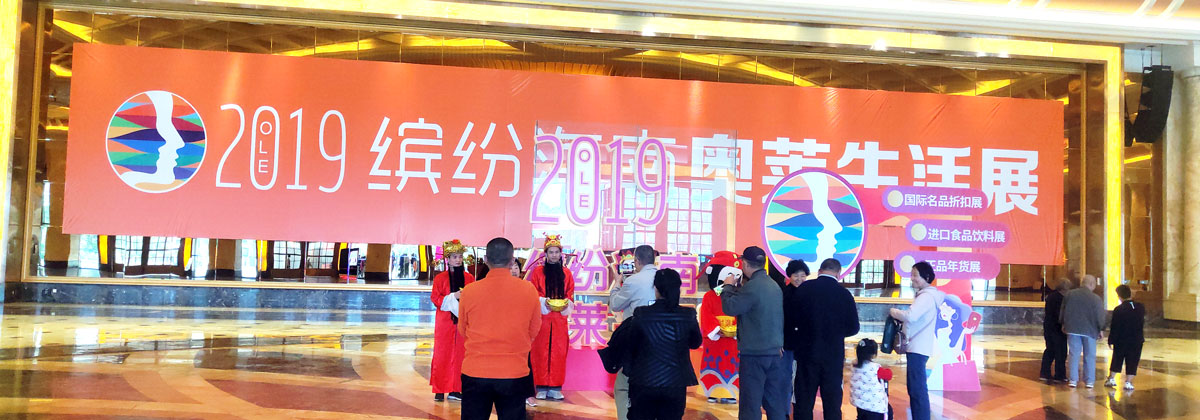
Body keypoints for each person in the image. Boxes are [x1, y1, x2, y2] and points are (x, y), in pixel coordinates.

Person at [458, 237, 542, 420]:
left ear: (485, 260)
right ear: (512, 260)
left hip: (476, 370)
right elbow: (534, 328)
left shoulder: (470, 291)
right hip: (514, 371)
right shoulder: (528, 290)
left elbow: (462, 329)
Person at [623, 269, 703, 420]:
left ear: (656, 289)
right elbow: (695, 343)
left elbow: (631, 345)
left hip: (644, 380)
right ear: (678, 289)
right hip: (675, 382)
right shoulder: (688, 314)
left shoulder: (642, 313)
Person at [720, 246, 789, 420]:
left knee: (750, 404)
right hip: (774, 352)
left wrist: (727, 287)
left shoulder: (752, 287)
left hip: (754, 354)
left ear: (744, 263)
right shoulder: (774, 286)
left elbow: (730, 308)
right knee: (774, 401)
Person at [789, 258, 860, 420]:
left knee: (803, 402)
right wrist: (835, 333)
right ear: (838, 274)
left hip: (806, 354)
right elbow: (854, 327)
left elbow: (792, 319)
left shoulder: (804, 288)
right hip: (833, 357)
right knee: (832, 404)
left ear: (820, 271)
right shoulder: (844, 294)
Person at [608, 245, 658, 420]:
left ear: (636, 261)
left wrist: (616, 284)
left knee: (624, 387)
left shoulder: (633, 281)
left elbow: (615, 305)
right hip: (661, 343)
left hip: (636, 341)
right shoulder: (664, 278)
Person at [888, 261, 942, 420]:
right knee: (915, 387)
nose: (911, 278)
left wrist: (894, 311)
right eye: (911, 275)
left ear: (926, 277)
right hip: (919, 346)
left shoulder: (926, 297)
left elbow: (911, 316)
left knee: (917, 389)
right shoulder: (928, 295)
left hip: (918, 348)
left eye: (915, 275)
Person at [526, 234, 575, 401]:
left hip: (560, 319)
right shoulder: (538, 272)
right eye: (551, 252)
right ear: (545, 254)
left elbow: (570, 293)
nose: (554, 255)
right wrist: (543, 301)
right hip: (542, 319)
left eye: (556, 252)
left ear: (561, 254)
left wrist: (566, 303)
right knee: (540, 351)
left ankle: (555, 386)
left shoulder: (567, 273)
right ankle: (540, 386)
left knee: (559, 352)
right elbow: (534, 293)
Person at [429, 239, 476, 402]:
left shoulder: (469, 278)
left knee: (461, 355)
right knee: (442, 354)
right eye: (454, 257)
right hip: (445, 323)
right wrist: (453, 297)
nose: (458, 260)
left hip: (463, 323)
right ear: (447, 259)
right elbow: (435, 298)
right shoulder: (440, 278)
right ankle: (440, 389)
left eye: (460, 257)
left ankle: (457, 389)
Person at [699, 251, 744, 404]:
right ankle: (713, 391)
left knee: (731, 364)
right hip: (716, 339)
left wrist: (736, 330)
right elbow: (706, 315)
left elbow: (741, 315)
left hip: (733, 339)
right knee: (714, 363)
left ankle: (731, 392)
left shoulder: (738, 295)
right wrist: (717, 330)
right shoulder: (710, 296)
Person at [1060, 274, 1107, 388]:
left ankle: (1073, 380)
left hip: (1073, 329)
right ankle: (1089, 381)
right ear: (1091, 284)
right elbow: (1100, 315)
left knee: (1073, 354)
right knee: (1089, 355)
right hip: (1090, 330)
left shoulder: (1070, 294)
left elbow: (1063, 310)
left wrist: (1063, 323)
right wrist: (1101, 329)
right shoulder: (1095, 298)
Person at [1105, 284, 1145, 391]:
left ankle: (1111, 378)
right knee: (1133, 360)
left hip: (1121, 339)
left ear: (1119, 296)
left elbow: (1114, 326)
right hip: (1137, 339)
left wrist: (1111, 340)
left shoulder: (1119, 309)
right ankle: (1128, 382)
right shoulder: (1140, 307)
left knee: (1117, 358)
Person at [850, 339, 893, 420]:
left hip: (860, 403)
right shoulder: (875, 368)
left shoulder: (854, 366)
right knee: (889, 411)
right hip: (874, 406)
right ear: (873, 354)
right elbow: (889, 375)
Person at [1039, 279, 1070, 384]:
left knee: (1050, 350)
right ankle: (1060, 375)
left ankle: (1044, 373)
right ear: (1064, 289)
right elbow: (1060, 315)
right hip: (1058, 329)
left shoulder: (1050, 297)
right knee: (1061, 352)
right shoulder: (1061, 299)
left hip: (1048, 327)